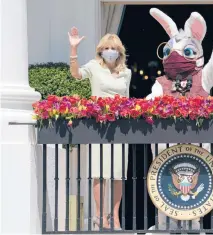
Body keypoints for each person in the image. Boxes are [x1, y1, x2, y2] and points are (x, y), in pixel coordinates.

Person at [145, 8, 213, 231]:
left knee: (199, 179)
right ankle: (164, 223)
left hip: (200, 143)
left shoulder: (204, 78)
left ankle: (194, 223)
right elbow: (149, 101)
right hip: (166, 141)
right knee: (163, 178)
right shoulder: (161, 83)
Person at [68, 27, 131, 230]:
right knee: (100, 171)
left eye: (113, 48)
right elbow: (76, 74)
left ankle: (114, 216)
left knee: (118, 174)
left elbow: (127, 99)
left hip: (120, 126)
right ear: (100, 50)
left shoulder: (126, 72)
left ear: (119, 51)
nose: (110, 51)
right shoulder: (95, 66)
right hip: (99, 125)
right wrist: (73, 49)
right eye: (106, 47)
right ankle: (99, 215)